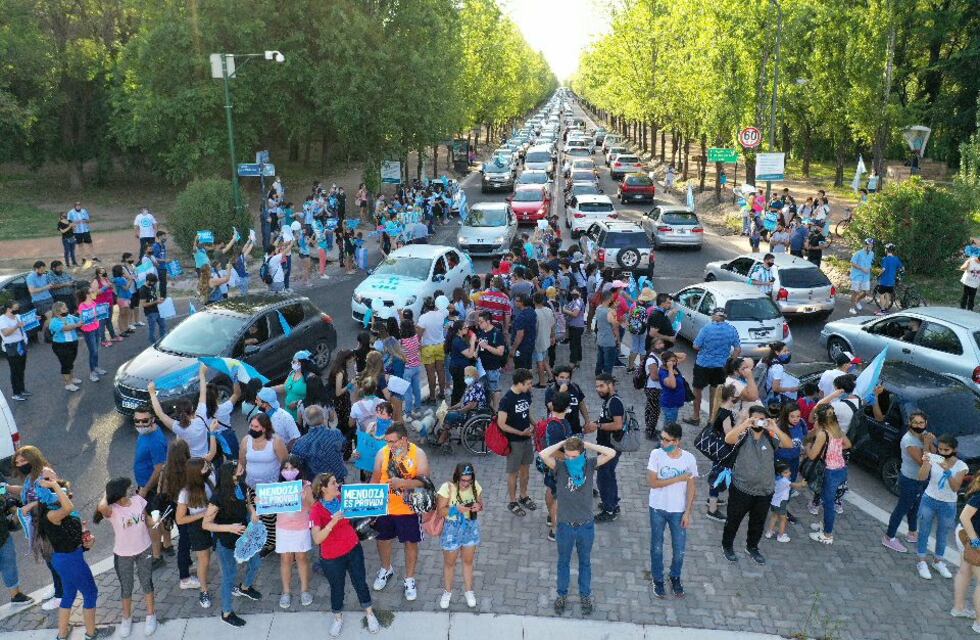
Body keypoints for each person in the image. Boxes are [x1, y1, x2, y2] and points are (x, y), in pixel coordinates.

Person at [538, 436, 616, 616]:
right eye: (568, 456)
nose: (570, 460)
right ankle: (562, 595)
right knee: (563, 562)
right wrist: (562, 443)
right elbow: (543, 454)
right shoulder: (561, 467)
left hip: (585, 526)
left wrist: (586, 444)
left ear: (582, 454)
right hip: (565, 525)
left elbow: (611, 453)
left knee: (585, 563)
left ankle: (585, 596)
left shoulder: (589, 465)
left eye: (574, 456)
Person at [36, 477, 109, 640]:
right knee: (91, 593)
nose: (68, 495)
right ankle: (91, 634)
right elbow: (69, 507)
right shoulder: (51, 514)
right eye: (64, 493)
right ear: (53, 496)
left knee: (69, 593)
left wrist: (86, 543)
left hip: (65, 559)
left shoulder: (58, 513)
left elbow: (68, 537)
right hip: (71, 561)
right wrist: (54, 485)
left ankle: (62, 635)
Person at [310, 472, 381, 636]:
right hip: (332, 558)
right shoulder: (316, 511)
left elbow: (363, 503)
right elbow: (317, 539)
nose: (338, 485)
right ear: (323, 489)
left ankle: (370, 614)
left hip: (353, 549)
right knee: (337, 588)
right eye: (333, 483)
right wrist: (332, 522)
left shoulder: (343, 498)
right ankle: (337, 618)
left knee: (360, 582)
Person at [721, 406, 794, 564]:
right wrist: (745, 423)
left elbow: (789, 444)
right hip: (741, 489)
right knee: (733, 520)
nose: (758, 422)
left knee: (758, 523)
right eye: (754, 418)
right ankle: (727, 546)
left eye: (761, 419)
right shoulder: (743, 434)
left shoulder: (771, 437)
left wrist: (775, 427)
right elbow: (728, 439)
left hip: (764, 491)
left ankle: (752, 547)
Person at [371, 422, 430, 601]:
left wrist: (402, 483)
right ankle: (386, 568)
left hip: (409, 509)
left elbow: (424, 481)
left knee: (411, 543)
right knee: (382, 540)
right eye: (388, 441)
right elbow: (374, 480)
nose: (389, 445)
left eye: (392, 442)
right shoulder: (382, 453)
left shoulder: (418, 453)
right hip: (385, 507)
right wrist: (370, 505)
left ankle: (409, 578)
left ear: (404, 439)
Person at [202, 462, 264, 626]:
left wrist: (253, 512)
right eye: (239, 469)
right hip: (226, 542)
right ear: (230, 476)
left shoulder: (241, 486)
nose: (242, 469)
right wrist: (229, 528)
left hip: (246, 536)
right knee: (229, 577)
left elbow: (248, 503)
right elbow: (206, 524)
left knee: (256, 563)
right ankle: (226, 612)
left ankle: (245, 587)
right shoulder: (217, 498)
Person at [94, 477, 157, 637]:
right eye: (128, 488)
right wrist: (107, 493)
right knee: (126, 587)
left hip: (144, 548)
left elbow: (146, 519)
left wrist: (154, 521)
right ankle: (126, 618)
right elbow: (101, 507)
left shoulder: (138, 501)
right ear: (119, 492)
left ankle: (151, 615)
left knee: (146, 582)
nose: (131, 490)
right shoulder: (112, 509)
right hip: (123, 554)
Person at [648, 422, 698, 599]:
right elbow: (653, 483)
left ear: (677, 441)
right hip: (657, 508)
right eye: (662, 438)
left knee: (679, 550)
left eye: (667, 440)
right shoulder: (656, 455)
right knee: (657, 547)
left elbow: (692, 488)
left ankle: (675, 576)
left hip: (678, 511)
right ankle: (657, 579)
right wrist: (679, 478)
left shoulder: (689, 459)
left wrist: (688, 512)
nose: (663, 443)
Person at [915, 434, 967, 579]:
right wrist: (927, 462)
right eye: (940, 449)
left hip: (948, 504)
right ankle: (921, 561)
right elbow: (921, 477)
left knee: (943, 533)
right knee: (924, 531)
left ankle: (938, 561)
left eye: (946, 450)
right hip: (929, 499)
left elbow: (955, 487)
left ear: (954, 449)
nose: (943, 452)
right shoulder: (934, 458)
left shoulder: (961, 466)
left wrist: (947, 471)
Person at [883, 410, 933, 553]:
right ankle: (889, 537)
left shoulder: (923, 435)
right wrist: (927, 444)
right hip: (910, 480)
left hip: (921, 480)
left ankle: (912, 532)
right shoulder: (908, 440)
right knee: (902, 508)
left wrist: (929, 443)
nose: (918, 425)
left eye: (921, 422)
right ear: (910, 423)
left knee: (915, 507)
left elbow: (934, 453)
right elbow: (921, 461)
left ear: (925, 423)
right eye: (915, 422)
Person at [437, 462, 484, 609]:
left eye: (469, 480)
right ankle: (447, 592)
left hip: (470, 527)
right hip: (452, 529)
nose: (466, 483)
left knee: (468, 562)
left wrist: (479, 506)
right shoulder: (447, 488)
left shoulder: (475, 485)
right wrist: (455, 509)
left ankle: (469, 591)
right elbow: (440, 511)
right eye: (463, 480)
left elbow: (481, 503)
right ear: (457, 477)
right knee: (450, 563)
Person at [806, 405, 853, 545]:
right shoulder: (837, 429)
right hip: (841, 469)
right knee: (827, 501)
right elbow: (848, 444)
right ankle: (824, 525)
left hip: (829, 472)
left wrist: (807, 446)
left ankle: (827, 535)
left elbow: (812, 455)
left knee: (828, 504)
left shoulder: (822, 434)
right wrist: (833, 450)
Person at [686, 308, 741, 427]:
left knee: (697, 391)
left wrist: (706, 351)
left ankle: (696, 417)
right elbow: (737, 349)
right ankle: (711, 420)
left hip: (703, 364)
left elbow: (695, 346)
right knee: (715, 393)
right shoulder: (731, 330)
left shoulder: (707, 328)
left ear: (715, 317)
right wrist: (731, 363)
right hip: (720, 366)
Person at [275, 456, 314, 609]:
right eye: (286, 468)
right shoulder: (277, 487)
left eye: (293, 468)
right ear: (281, 470)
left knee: (302, 558)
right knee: (285, 559)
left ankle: (305, 590)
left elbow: (313, 507)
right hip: (283, 528)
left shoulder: (306, 486)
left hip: (301, 527)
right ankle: (286, 592)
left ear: (300, 470)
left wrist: (305, 499)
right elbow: (268, 505)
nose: (289, 471)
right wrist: (261, 501)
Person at [175, 457, 214, 607]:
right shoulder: (185, 493)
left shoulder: (209, 481)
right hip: (197, 526)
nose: (208, 468)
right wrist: (202, 515)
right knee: (204, 560)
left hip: (214, 521)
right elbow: (180, 519)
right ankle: (204, 590)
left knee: (214, 555)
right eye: (205, 467)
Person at [498, 369, 537, 516]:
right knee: (513, 473)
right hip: (514, 442)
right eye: (528, 384)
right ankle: (513, 501)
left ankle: (524, 496)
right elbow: (502, 424)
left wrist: (535, 424)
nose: (530, 386)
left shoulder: (525, 394)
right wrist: (520, 433)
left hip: (527, 439)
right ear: (519, 384)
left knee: (525, 471)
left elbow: (526, 412)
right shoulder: (507, 400)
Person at [146, 387, 216, 460]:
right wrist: (202, 376)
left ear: (177, 412)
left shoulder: (178, 427)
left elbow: (160, 413)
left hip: (188, 463)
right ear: (192, 408)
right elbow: (202, 395)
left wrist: (152, 393)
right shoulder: (201, 419)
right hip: (204, 461)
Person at [592, 373, 625, 523]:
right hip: (605, 445)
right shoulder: (609, 400)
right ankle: (612, 502)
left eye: (601, 386)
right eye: (597, 386)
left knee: (604, 477)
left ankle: (609, 510)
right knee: (608, 475)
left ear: (610, 385)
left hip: (610, 447)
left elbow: (618, 425)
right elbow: (606, 418)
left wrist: (598, 425)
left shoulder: (615, 402)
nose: (598, 389)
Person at [705, 384, 739, 522]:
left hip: (719, 450)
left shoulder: (722, 408)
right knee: (717, 477)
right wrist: (741, 421)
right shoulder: (726, 413)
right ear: (731, 397)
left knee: (717, 475)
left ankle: (713, 499)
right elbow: (729, 435)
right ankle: (712, 510)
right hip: (723, 452)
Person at [292, 405, 347, 480]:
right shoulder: (336, 433)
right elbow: (343, 448)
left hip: (316, 483)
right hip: (337, 479)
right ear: (323, 417)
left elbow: (296, 464)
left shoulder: (301, 443)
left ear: (307, 420)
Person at [953, 476, 980, 629]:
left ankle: (958, 608)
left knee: (964, 572)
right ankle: (978, 624)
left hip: (965, 535)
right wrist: (976, 542)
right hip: (972, 539)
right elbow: (964, 517)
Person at [417, 297, 449, 402]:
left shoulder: (423, 318)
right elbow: (448, 308)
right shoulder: (441, 314)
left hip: (428, 348)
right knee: (441, 371)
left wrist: (418, 346)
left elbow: (419, 335)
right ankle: (442, 393)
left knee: (430, 373)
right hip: (440, 346)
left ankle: (432, 397)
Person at [475, 311, 507, 410]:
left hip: (492, 367)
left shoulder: (497, 333)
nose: (479, 324)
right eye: (478, 322)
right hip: (482, 368)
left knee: (494, 389)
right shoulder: (481, 332)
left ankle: (496, 410)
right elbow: (479, 345)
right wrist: (476, 353)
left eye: (481, 322)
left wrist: (486, 346)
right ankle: (488, 409)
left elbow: (500, 352)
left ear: (488, 321)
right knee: (485, 390)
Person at [48, 302, 82, 392]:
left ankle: (72, 378)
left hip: (73, 342)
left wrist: (84, 316)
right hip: (61, 345)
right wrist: (76, 325)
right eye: (64, 308)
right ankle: (68, 384)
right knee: (66, 364)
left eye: (66, 307)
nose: (66, 309)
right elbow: (65, 328)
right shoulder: (54, 321)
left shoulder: (69, 316)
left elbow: (78, 319)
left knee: (71, 362)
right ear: (57, 311)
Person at [545, 366, 589, 436]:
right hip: (558, 431)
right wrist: (561, 392)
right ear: (556, 377)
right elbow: (552, 408)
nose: (565, 380)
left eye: (567, 378)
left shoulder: (575, 387)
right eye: (562, 377)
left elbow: (581, 404)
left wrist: (587, 421)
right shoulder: (550, 390)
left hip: (575, 429)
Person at [0, 301, 30, 401]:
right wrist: (17, 326)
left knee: (21, 369)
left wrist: (33, 319)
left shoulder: (17, 316)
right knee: (15, 371)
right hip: (12, 347)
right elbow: (5, 333)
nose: (18, 310)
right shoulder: (2, 319)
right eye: (16, 308)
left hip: (21, 345)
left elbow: (24, 325)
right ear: (9, 309)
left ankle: (22, 389)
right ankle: (16, 393)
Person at [77, 287, 107, 382]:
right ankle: (92, 372)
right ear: (87, 294)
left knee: (97, 349)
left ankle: (96, 367)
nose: (93, 292)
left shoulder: (94, 303)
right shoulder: (82, 306)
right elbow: (82, 320)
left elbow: (97, 314)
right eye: (91, 292)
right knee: (93, 351)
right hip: (88, 331)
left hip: (96, 328)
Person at [446, 320, 478, 405]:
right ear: (459, 330)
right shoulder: (457, 341)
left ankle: (454, 407)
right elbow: (470, 355)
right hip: (458, 369)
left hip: (459, 367)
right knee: (458, 391)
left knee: (458, 389)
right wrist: (472, 341)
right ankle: (454, 409)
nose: (467, 329)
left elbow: (471, 353)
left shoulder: (460, 339)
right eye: (465, 327)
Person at [399, 318, 424, 417]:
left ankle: (408, 413)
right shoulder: (415, 338)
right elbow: (419, 347)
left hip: (407, 369)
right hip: (417, 367)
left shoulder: (402, 342)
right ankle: (417, 408)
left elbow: (401, 355)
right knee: (416, 389)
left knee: (407, 392)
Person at [658, 350, 688, 425]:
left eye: (675, 360)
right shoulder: (663, 373)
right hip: (670, 404)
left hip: (675, 404)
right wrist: (670, 368)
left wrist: (669, 354)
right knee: (669, 426)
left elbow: (684, 355)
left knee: (669, 424)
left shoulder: (673, 366)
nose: (675, 362)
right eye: (672, 361)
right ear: (666, 362)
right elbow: (672, 385)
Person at [849, 238, 875, 314]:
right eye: (869, 245)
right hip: (857, 275)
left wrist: (870, 269)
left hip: (866, 276)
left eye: (872, 245)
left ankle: (857, 301)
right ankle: (851, 308)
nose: (871, 246)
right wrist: (862, 268)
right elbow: (852, 263)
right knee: (855, 292)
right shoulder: (858, 253)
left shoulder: (872, 253)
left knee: (866, 292)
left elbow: (870, 263)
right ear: (865, 245)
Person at [138, 272, 166, 344]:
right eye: (153, 282)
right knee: (152, 329)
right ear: (148, 281)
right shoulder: (143, 289)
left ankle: (163, 341)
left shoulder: (152, 286)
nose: (154, 284)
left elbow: (154, 297)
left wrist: (160, 299)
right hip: (150, 312)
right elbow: (143, 304)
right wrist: (156, 302)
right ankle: (153, 344)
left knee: (163, 325)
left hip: (158, 310)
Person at [511, 294, 536, 371]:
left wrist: (513, 349)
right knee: (528, 368)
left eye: (516, 301)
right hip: (530, 345)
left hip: (521, 348)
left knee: (520, 370)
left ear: (521, 303)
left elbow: (519, 335)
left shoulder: (521, 317)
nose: (515, 302)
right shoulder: (532, 311)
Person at [876, 243, 904, 313]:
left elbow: (883, 269)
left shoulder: (885, 259)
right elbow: (902, 268)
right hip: (892, 282)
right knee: (888, 295)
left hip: (885, 281)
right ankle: (886, 309)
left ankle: (882, 311)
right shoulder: (896, 259)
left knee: (882, 295)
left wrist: (879, 275)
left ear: (886, 250)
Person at [68, 201, 96, 266]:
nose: (78, 206)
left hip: (85, 230)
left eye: (79, 205)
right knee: (80, 245)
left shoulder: (84, 211)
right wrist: (75, 222)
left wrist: (84, 220)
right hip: (77, 231)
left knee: (90, 243)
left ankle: (93, 257)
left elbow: (88, 220)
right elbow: (69, 222)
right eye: (77, 205)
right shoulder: (71, 212)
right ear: (74, 206)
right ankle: (83, 258)